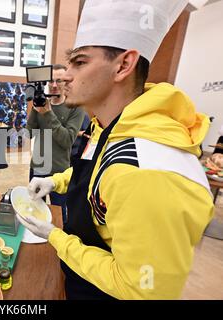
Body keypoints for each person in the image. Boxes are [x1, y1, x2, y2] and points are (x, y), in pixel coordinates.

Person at [18, 0, 214, 300]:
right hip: (80, 274)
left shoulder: (148, 174)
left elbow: (139, 289)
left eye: (79, 62)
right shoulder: (110, 126)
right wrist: (56, 181)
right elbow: (95, 171)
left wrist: (56, 237)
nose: (66, 76)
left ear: (123, 65)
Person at [26, 64, 85, 223]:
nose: (53, 85)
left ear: (66, 82)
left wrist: (48, 113)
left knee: (60, 214)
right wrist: (35, 108)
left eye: (59, 81)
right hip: (38, 167)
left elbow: (67, 141)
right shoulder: (41, 104)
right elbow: (29, 133)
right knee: (36, 209)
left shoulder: (75, 108)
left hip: (59, 172)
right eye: (51, 80)